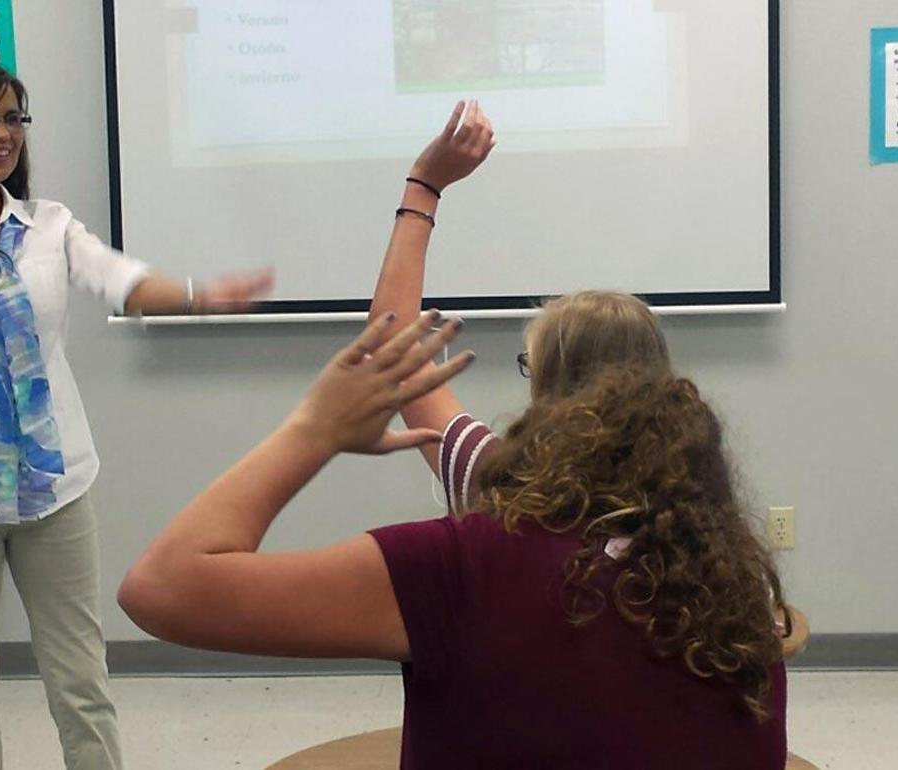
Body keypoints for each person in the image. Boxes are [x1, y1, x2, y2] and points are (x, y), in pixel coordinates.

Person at [118, 104, 790, 767]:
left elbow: (160, 588)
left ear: (548, 393)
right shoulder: (724, 571)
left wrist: (316, 426)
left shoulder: (473, 537)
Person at [0, 57, 271, 769]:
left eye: (13, 118)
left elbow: (123, 280)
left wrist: (202, 293)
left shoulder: (48, 226)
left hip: (56, 488)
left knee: (81, 680)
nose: (3, 133)